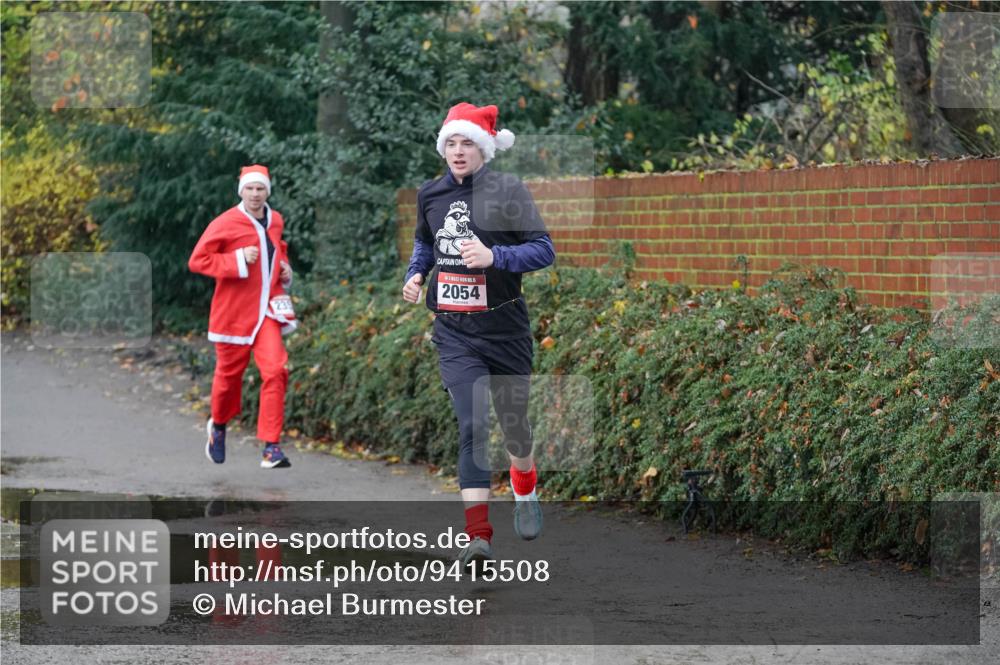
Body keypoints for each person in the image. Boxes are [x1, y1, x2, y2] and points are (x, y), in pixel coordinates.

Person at [402, 102, 556, 568]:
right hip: (455, 332)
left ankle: (524, 488)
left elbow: (543, 249)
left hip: (505, 330)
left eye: (467, 142)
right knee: (472, 425)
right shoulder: (431, 193)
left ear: (483, 148)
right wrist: (415, 273)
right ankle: (478, 537)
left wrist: (496, 258)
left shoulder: (509, 190)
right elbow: (425, 241)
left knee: (515, 428)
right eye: (451, 142)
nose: (458, 150)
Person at [189, 164, 296, 469]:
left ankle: (271, 447)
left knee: (276, 370)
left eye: (260, 188)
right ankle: (219, 426)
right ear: (241, 191)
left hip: (266, 311)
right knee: (228, 379)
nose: (255, 194)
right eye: (250, 188)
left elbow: (278, 248)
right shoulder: (226, 222)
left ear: (267, 192)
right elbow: (198, 260)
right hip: (233, 313)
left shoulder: (275, 220)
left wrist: (285, 269)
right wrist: (237, 259)